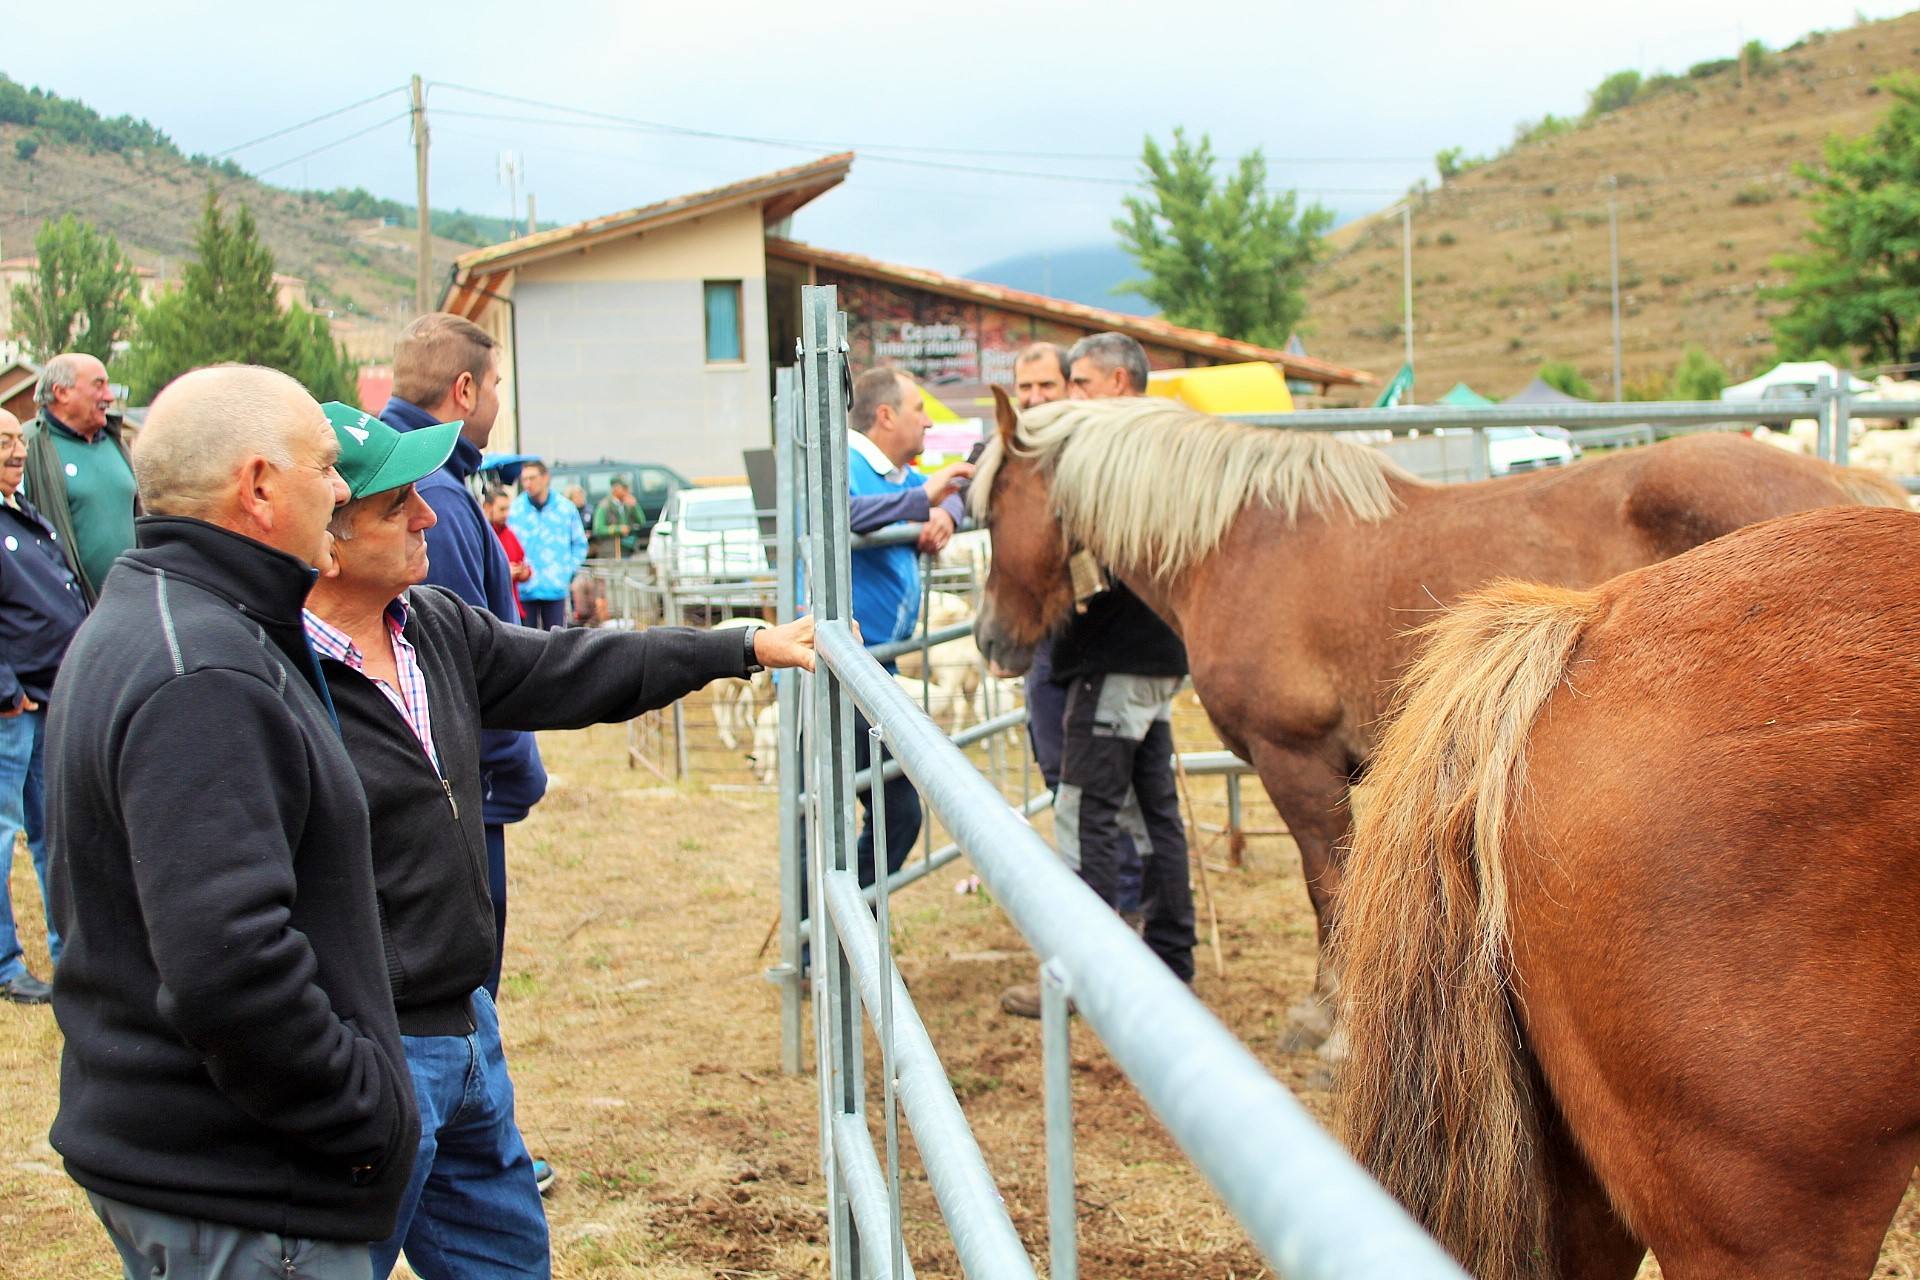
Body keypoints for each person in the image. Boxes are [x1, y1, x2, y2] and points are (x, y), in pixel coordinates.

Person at [306, 404, 817, 1279]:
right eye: (398, 508)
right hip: (367, 1046)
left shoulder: (430, 625)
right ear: (326, 539)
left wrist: (738, 646)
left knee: (503, 1261)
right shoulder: (269, 674)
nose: (430, 516)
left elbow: (575, 668)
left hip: (466, 1028)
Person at [47, 365, 420, 1276]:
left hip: (201, 1168)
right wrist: (362, 1111)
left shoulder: (169, 613)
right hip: (249, 1192)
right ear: (257, 487)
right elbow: (229, 965)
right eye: (327, 468)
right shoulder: (202, 669)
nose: (340, 492)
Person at [1003, 332, 1195, 1019]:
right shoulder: (1169, 441)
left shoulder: (1117, 447)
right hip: (1157, 654)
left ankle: (1082, 974)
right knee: (1152, 816)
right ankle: (1170, 960)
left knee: (1084, 813)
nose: (1069, 394)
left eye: (1078, 382)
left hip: (1114, 655)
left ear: (1116, 383)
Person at [380, 313, 544, 1007]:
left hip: (430, 792)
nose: (500, 401)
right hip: (454, 798)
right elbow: (463, 666)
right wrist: (512, 769)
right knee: (461, 1006)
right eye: (498, 385)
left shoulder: (409, 470)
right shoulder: (434, 494)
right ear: (467, 389)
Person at [840, 367, 973, 890]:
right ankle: (825, 942)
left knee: (895, 813)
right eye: (920, 410)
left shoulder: (898, 474)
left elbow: (959, 489)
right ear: (886, 414)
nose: (928, 423)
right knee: (854, 812)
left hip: (880, 666)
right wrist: (924, 505)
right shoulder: (841, 462)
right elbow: (840, 513)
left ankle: (845, 930)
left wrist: (948, 514)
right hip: (838, 670)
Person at [0, 408, 87, 1006]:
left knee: (53, 832)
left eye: (17, 441)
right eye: (2, 442)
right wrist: (7, 692)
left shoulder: (23, 511)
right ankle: (5, 964)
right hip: (12, 708)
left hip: (49, 698)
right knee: (3, 838)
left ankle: (73, 955)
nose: (15, 451)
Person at [1008, 343, 1073, 791]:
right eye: (1025, 387)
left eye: (1046, 385)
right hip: (1044, 635)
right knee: (1052, 756)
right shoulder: (1013, 447)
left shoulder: (1090, 445)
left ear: (1068, 386)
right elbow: (970, 478)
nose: (1034, 398)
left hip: (1103, 638)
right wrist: (946, 511)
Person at [23, 352, 136, 606]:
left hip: (130, 609)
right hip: (65, 616)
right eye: (99, 385)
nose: (109, 396)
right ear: (62, 393)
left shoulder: (115, 443)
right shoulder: (27, 447)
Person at [508, 460, 586, 630]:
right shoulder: (515, 510)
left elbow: (579, 543)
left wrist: (567, 570)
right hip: (525, 588)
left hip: (555, 586)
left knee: (556, 641)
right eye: (524, 479)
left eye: (532, 478)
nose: (528, 484)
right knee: (526, 641)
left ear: (545, 478)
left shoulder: (566, 509)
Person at [485, 484, 533, 618]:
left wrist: (524, 572)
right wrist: (504, 572)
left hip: (512, 607)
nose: (506, 514)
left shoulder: (509, 534)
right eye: (502, 509)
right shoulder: (481, 536)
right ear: (487, 508)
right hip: (490, 611)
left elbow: (525, 563)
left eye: (508, 509)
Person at [590, 477, 644, 558]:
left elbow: (641, 522)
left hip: (628, 547)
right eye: (624, 488)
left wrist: (635, 507)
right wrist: (618, 529)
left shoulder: (628, 504)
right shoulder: (604, 506)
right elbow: (598, 529)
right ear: (615, 489)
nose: (627, 491)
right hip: (611, 550)